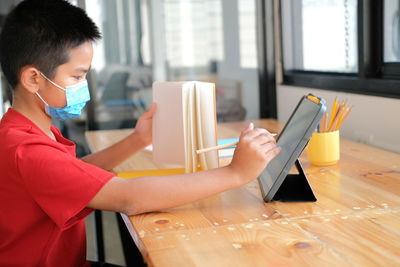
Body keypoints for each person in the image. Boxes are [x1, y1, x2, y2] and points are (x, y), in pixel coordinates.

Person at [0, 0, 281, 266]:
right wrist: (235, 174)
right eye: (76, 76)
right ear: (34, 78)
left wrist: (138, 140)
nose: (83, 86)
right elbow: (129, 197)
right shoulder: (26, 151)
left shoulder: (25, 133)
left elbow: (72, 174)